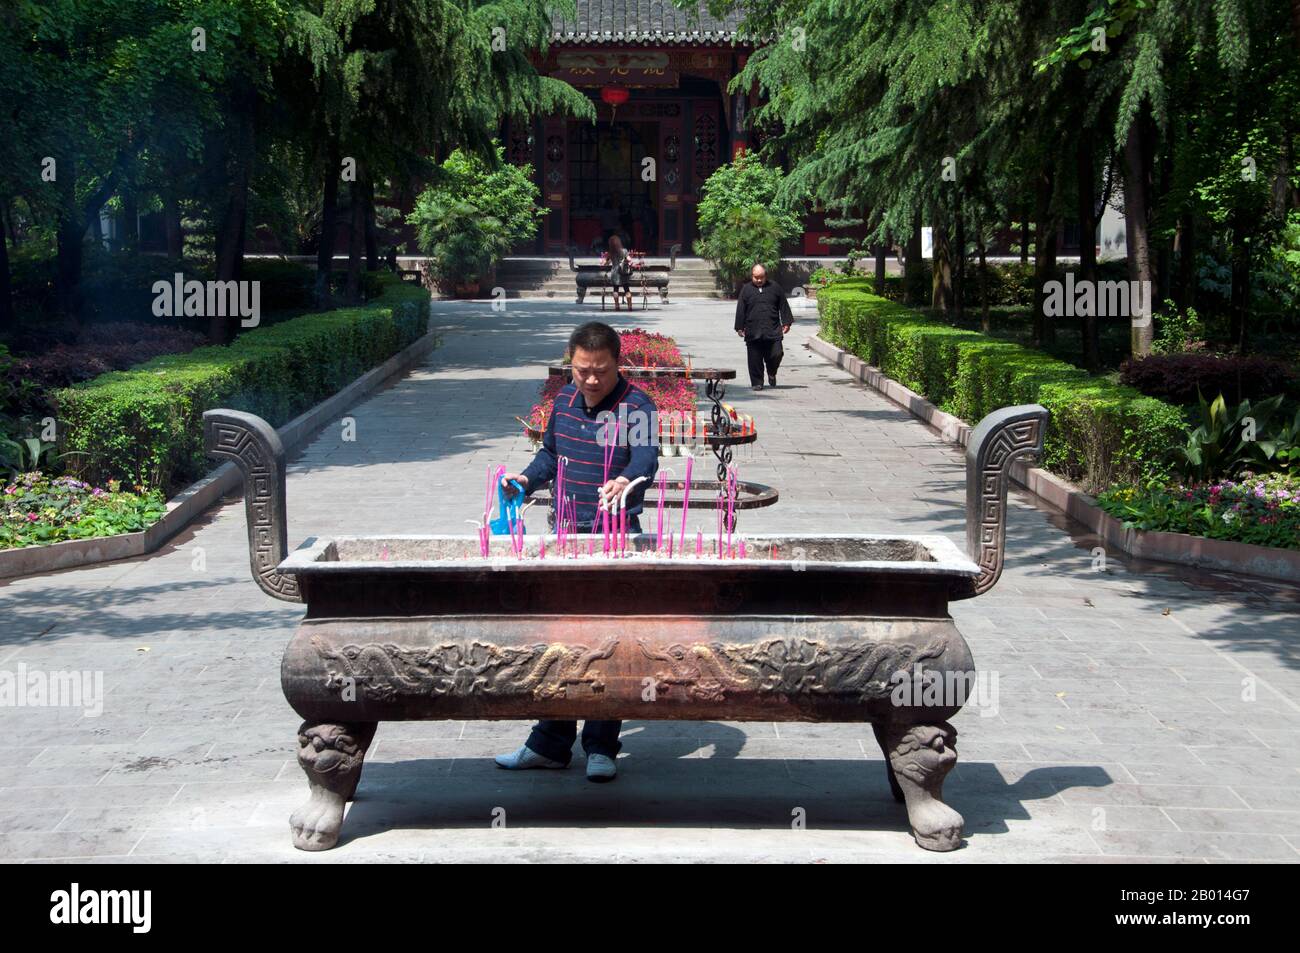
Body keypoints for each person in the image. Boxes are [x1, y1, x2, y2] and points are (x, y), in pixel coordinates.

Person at [494, 321, 659, 782]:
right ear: (571, 363)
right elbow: (550, 455)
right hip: (565, 534)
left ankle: (602, 744)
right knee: (560, 640)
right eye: (581, 370)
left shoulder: (636, 406)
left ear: (617, 364)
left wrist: (627, 479)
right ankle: (550, 743)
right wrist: (526, 480)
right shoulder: (563, 402)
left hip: (614, 536)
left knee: (606, 642)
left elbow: (647, 457)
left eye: (600, 372)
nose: (589, 380)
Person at [734, 263, 793, 389]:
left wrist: (786, 322)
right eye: (756, 277)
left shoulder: (775, 287)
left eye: (761, 277)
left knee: (777, 353)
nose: (759, 280)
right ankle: (757, 382)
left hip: (773, 328)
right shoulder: (746, 289)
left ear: (766, 275)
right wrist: (739, 327)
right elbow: (741, 309)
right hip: (752, 329)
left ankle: (772, 372)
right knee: (754, 358)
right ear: (752, 276)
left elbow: (783, 305)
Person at [607, 234, 634, 310]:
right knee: (626, 289)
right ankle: (629, 306)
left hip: (615, 273)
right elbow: (629, 259)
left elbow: (606, 263)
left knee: (615, 289)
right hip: (623, 272)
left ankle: (617, 306)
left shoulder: (611, 253)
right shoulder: (624, 251)